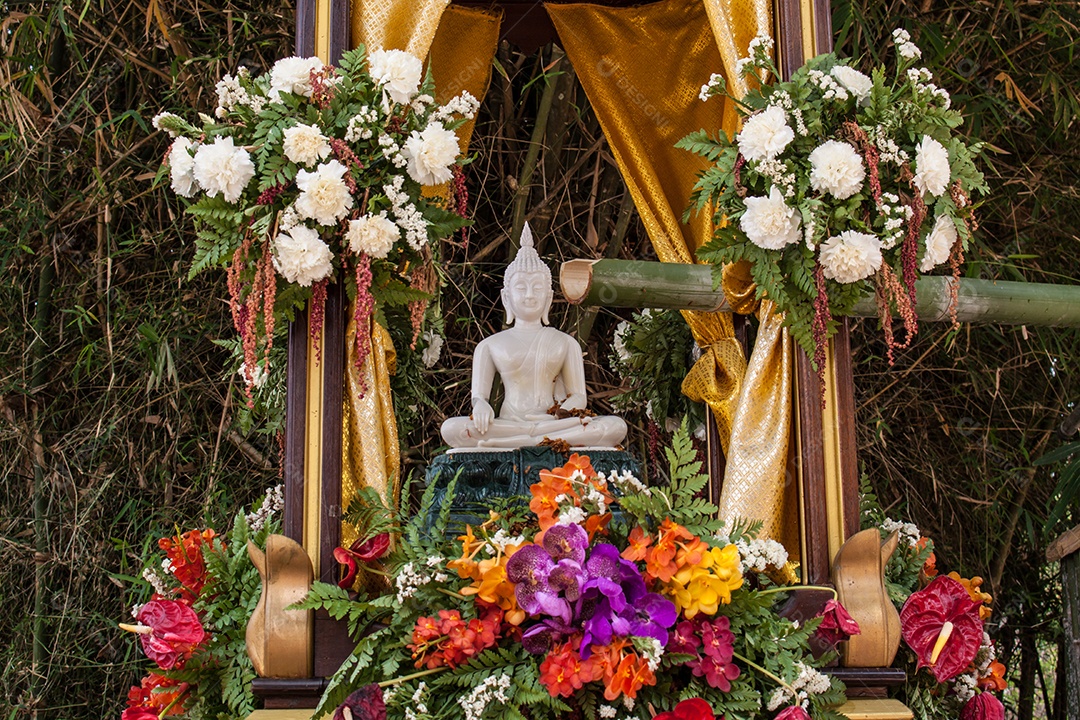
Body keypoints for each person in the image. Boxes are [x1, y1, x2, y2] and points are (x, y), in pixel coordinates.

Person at [440, 226, 627, 449]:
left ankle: (528, 441)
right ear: (506, 297)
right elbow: (479, 396)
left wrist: (558, 414)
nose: (529, 295)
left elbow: (578, 396)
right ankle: (538, 442)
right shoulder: (489, 345)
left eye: (537, 288)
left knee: (615, 426)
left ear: (549, 298)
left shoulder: (566, 343)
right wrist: (481, 406)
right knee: (451, 428)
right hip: (508, 423)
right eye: (521, 287)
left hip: (553, 424)